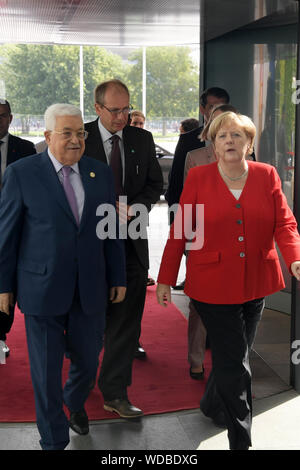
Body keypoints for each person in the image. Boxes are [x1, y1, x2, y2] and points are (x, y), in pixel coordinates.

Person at [156, 111, 300, 450]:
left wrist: (294, 257)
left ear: (249, 144)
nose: (230, 141)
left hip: (257, 282)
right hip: (212, 285)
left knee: (236, 355)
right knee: (236, 364)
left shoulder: (267, 175)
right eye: (222, 136)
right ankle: (241, 441)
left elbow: (284, 223)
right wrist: (165, 278)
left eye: (237, 136)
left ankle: (209, 403)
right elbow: (181, 232)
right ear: (214, 145)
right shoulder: (199, 178)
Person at [0, 103, 126, 450]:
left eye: (80, 133)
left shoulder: (99, 173)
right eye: (66, 133)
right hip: (40, 288)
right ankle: (53, 440)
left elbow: (110, 228)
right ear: (47, 136)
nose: (75, 140)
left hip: (90, 287)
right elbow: (7, 235)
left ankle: (74, 397)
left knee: (87, 361)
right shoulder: (22, 173)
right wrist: (3, 286)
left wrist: (118, 274)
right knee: (45, 373)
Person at [84, 79, 163, 418]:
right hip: (88, 247)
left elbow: (154, 186)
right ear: (98, 108)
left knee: (126, 322)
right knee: (88, 319)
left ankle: (115, 392)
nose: (121, 117)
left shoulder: (141, 139)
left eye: (126, 109)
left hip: (131, 244)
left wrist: (135, 208)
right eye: (114, 110)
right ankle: (82, 379)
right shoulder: (80, 137)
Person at [183, 104, 238, 381]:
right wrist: (188, 245)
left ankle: (231, 359)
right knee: (199, 305)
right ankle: (196, 359)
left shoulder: (245, 155)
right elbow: (187, 208)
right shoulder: (195, 157)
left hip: (239, 243)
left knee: (236, 304)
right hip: (203, 240)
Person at [167, 88, 230, 291]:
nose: (216, 111)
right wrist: (176, 214)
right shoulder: (189, 140)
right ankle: (192, 278)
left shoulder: (241, 140)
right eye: (212, 106)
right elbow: (177, 179)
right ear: (203, 109)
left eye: (221, 106)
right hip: (199, 217)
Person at [0, 98, 36, 359]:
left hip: (14, 225)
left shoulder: (24, 148)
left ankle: (1, 335)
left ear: (10, 118)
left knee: (6, 279)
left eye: (1, 115)